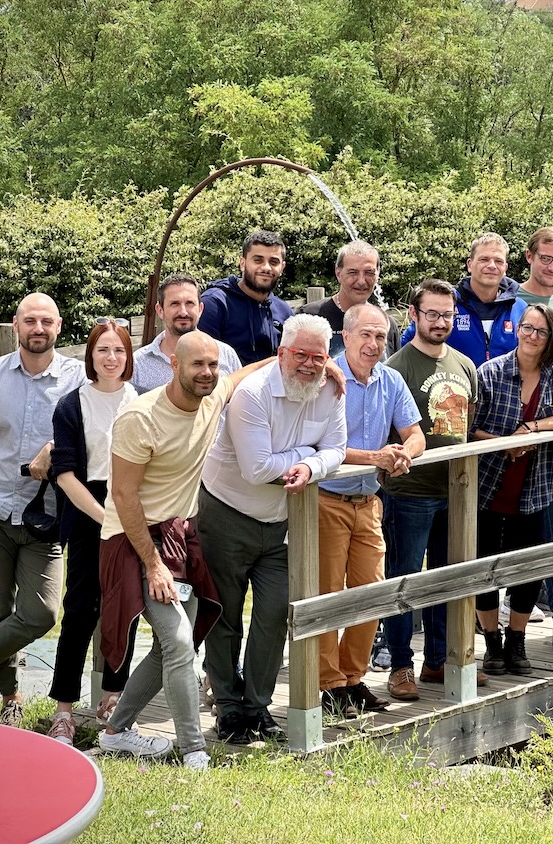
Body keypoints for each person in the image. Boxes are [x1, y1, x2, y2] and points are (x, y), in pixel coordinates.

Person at [96, 332, 263, 769]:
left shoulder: (213, 396)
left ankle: (116, 732)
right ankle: (194, 750)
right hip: (133, 539)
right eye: (197, 365)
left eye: (213, 365)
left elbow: (246, 371)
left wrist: (321, 363)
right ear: (174, 365)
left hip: (180, 536)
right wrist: (152, 565)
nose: (207, 373)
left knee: (171, 647)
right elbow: (124, 496)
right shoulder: (140, 418)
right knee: (178, 641)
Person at [198, 315, 346, 744]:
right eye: (300, 354)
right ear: (281, 354)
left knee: (274, 614)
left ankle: (257, 706)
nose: (309, 364)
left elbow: (336, 447)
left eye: (318, 357)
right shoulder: (252, 393)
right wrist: (306, 454)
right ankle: (228, 707)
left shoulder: (331, 390)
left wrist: (310, 464)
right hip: (226, 513)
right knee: (223, 614)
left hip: (283, 522)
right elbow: (258, 468)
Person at [0, 293, 86, 725]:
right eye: (30, 320)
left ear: (59, 326)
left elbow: (90, 439)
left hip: (47, 516)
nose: (38, 329)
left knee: (41, 613)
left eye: (47, 321)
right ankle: (11, 700)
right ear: (16, 324)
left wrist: (56, 447)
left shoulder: (75, 381)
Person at [316, 304, 424, 717]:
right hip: (326, 500)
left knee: (372, 595)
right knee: (327, 595)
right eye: (366, 335)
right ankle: (328, 685)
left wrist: (402, 455)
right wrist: (375, 457)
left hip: (368, 501)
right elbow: (321, 448)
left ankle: (352, 678)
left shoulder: (390, 379)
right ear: (346, 336)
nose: (374, 344)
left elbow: (415, 434)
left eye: (380, 336)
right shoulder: (328, 378)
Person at [470, 304, 553, 675]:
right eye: (526, 328)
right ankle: (490, 640)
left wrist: (534, 428)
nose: (531, 336)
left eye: (540, 331)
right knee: (485, 565)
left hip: (535, 484)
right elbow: (468, 428)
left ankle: (516, 640)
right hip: (490, 483)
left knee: (529, 566)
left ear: (552, 338)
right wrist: (504, 442)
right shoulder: (491, 372)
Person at [381, 280, 480, 701]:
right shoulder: (397, 368)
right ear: (414, 315)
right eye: (432, 314)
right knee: (404, 580)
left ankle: (438, 659)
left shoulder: (464, 365)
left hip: (456, 492)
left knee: (448, 577)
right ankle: (399, 664)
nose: (441, 323)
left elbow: (469, 425)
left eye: (447, 315)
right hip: (410, 492)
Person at [46, 320, 139, 745]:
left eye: (118, 350)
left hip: (133, 508)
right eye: (103, 350)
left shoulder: (143, 402)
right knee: (80, 608)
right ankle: (64, 710)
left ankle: (113, 700)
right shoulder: (71, 405)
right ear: (90, 355)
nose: (111, 358)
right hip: (88, 511)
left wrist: (130, 518)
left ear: (128, 356)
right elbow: (63, 473)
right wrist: (105, 519)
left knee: (124, 610)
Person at [399, 233, 525, 367]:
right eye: (484, 259)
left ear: (505, 268)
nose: (492, 266)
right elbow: (408, 343)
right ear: (470, 265)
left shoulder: (519, 308)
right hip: (451, 386)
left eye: (498, 261)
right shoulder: (446, 302)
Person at [132, 273, 242, 394]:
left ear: (200, 309)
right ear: (160, 310)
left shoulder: (226, 354)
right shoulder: (139, 363)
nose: (183, 312)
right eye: (175, 304)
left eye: (190, 303)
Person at [199, 229, 294, 365]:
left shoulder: (284, 311)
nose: (266, 267)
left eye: (273, 262)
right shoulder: (215, 304)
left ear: (282, 267)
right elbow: (202, 362)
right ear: (243, 263)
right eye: (258, 260)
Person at [297, 240, 401, 359]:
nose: (361, 281)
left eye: (369, 273)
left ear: (378, 274)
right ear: (338, 273)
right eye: (353, 272)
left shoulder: (386, 324)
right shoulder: (309, 317)